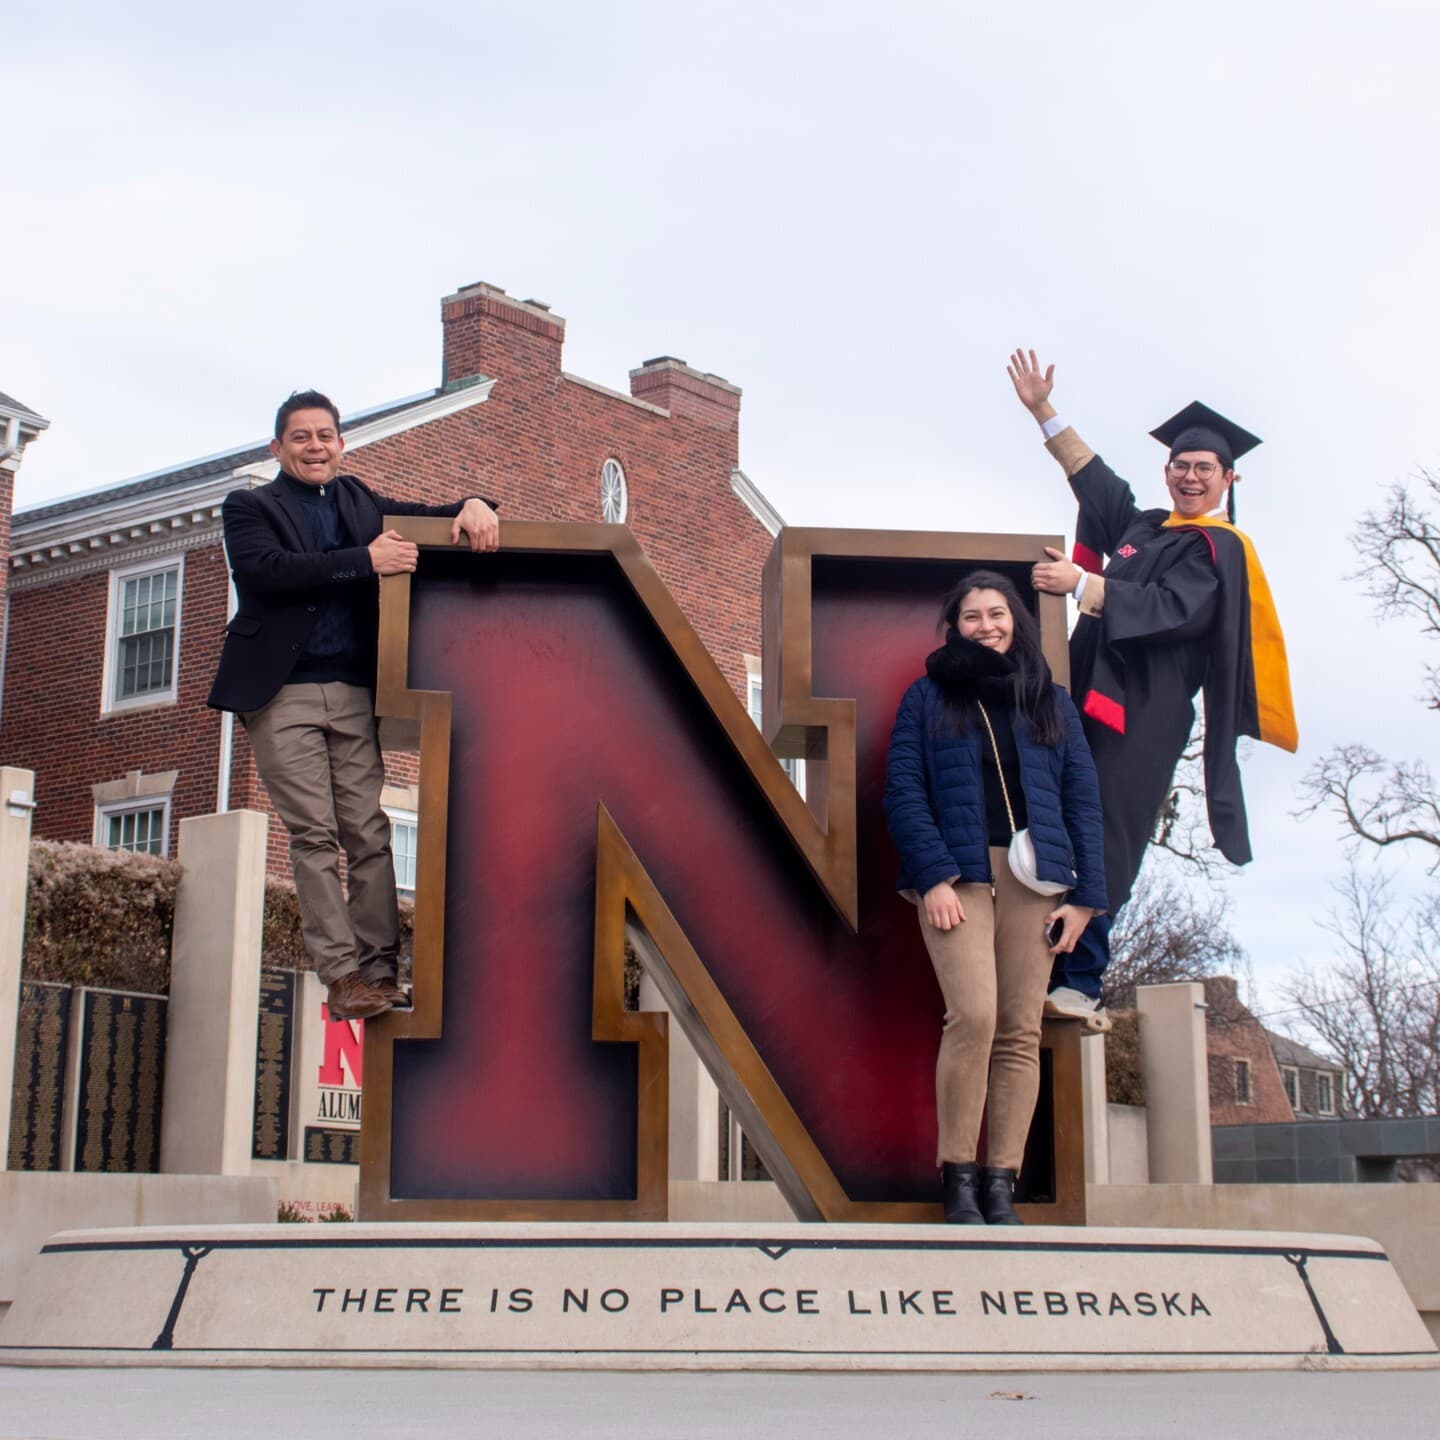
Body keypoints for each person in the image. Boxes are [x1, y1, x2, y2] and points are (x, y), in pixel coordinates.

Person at [1007, 349, 1297, 1023]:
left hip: (1147, 711)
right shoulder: (1146, 530)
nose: (1190, 477)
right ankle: (1035, 954)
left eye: (1203, 468)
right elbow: (1096, 482)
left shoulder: (1218, 551)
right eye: (1180, 465)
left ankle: (1081, 979)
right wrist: (1043, 409)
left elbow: (1172, 610)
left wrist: (1083, 583)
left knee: (1108, 826)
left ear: (1227, 477)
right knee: (1047, 804)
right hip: (1085, 691)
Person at [207, 390, 499, 1021]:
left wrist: (475, 503)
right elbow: (267, 571)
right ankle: (341, 977)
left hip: (354, 691)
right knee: (313, 833)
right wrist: (363, 561)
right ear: (277, 447)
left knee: (368, 830)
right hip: (281, 693)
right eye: (302, 437)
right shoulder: (248, 507)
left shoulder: (359, 501)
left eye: (326, 436)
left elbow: (429, 517)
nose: (316, 446)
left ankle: (380, 970)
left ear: (342, 444)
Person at [883, 572, 1105, 1224]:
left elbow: (1083, 803)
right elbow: (903, 791)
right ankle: (957, 1178)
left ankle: (1001, 1181)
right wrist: (933, 879)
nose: (986, 625)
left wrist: (1086, 900)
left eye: (997, 613)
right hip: (959, 878)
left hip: (1039, 885)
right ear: (956, 627)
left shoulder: (1050, 702)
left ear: (1016, 621)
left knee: (1019, 1031)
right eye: (972, 616)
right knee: (974, 1017)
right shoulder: (926, 698)